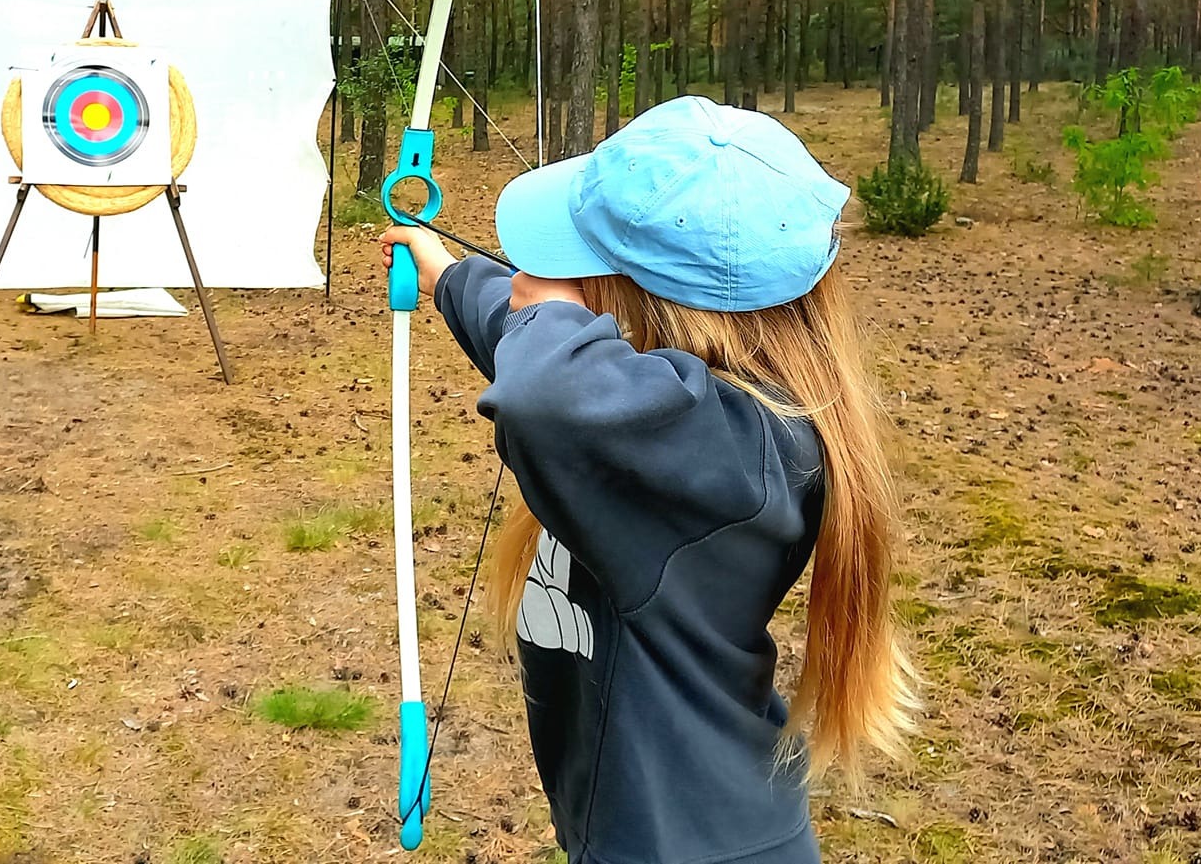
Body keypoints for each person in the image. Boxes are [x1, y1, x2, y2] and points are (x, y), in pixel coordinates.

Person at [380, 95, 917, 864]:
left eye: (584, 265)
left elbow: (546, 386)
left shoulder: (725, 453)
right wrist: (451, 276)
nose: (556, 279)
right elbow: (537, 340)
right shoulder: (700, 419)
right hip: (678, 827)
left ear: (650, 302)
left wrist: (539, 312)